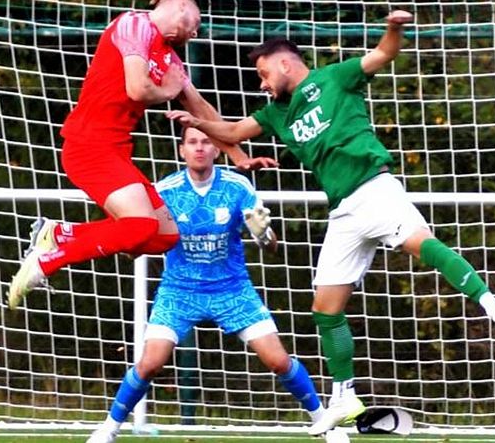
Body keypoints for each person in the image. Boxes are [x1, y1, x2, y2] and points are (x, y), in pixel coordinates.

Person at [166, 10, 495, 436]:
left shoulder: (336, 77)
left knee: (421, 243)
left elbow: (383, 55)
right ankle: (345, 395)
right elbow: (234, 129)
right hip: (342, 212)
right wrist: (195, 120)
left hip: (373, 188)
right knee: (325, 308)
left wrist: (394, 28)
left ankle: (491, 304)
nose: (261, 83)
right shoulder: (277, 112)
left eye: (263, 73)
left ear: (284, 63)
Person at [6, 0, 275, 310]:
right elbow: (138, 88)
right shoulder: (135, 24)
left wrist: (239, 156)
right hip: (88, 145)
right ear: (180, 10)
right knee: (142, 226)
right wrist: (170, 90)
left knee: (165, 236)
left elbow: (201, 109)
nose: (197, 32)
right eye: (197, 23)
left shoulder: (171, 60)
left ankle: (61, 233)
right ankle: (48, 260)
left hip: (114, 151)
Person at [86, 126, 347, 443]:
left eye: (206, 142)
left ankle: (326, 426)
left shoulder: (238, 187)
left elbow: (271, 246)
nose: (199, 147)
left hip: (233, 289)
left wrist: (263, 234)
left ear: (217, 150)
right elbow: (147, 238)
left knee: (277, 360)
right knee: (150, 363)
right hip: (179, 291)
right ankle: (108, 429)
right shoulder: (164, 191)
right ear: (182, 150)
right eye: (192, 142)